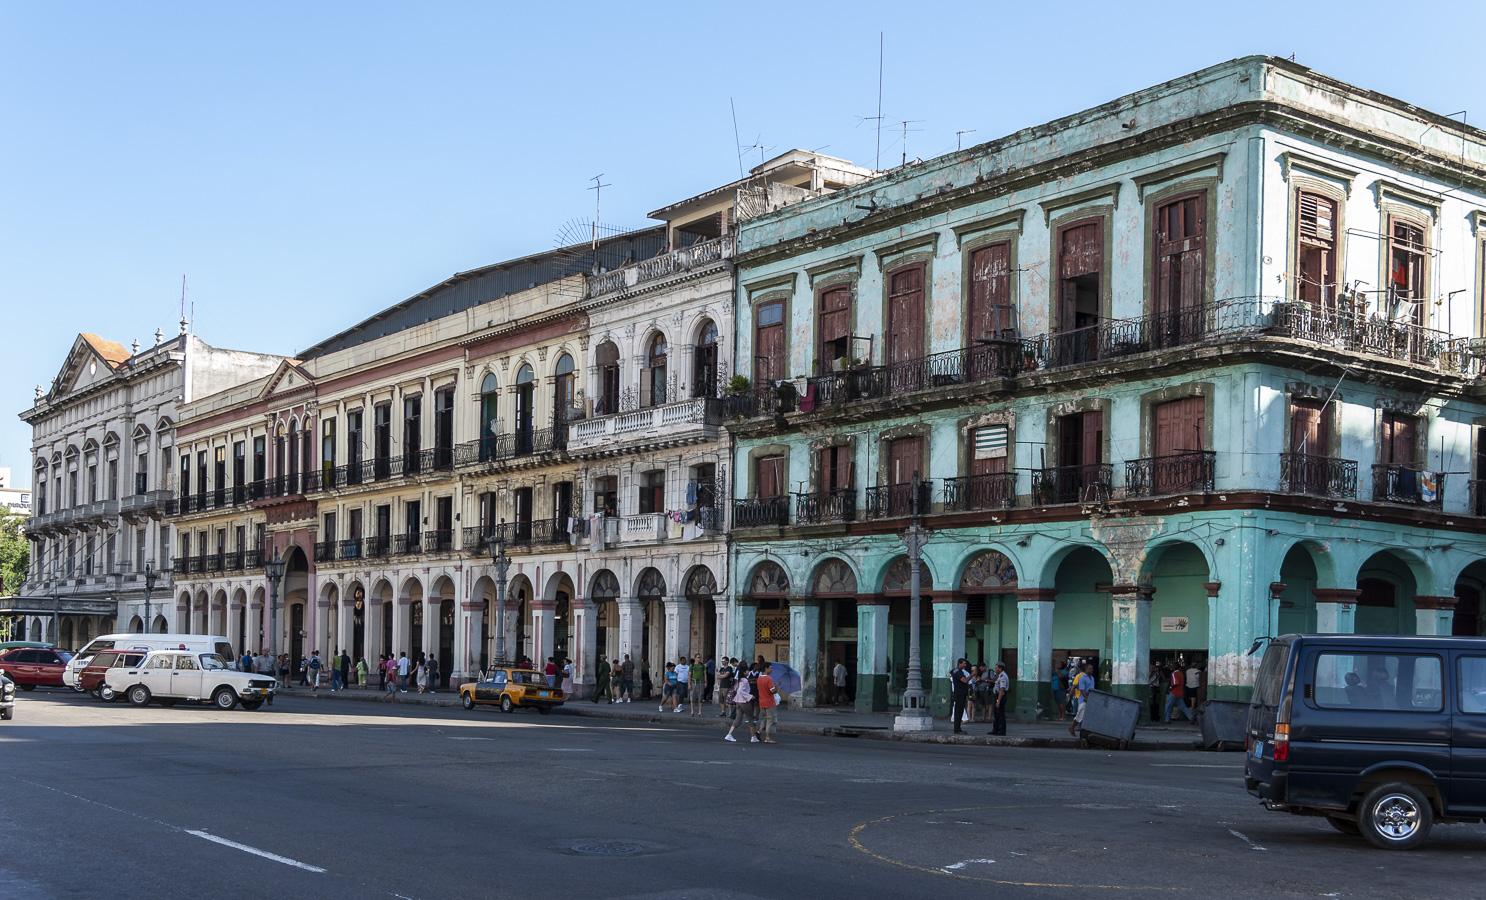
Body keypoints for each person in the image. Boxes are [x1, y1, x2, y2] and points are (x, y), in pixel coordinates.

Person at [723, 664, 757, 743]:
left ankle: (729, 734)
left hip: (738, 701)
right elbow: (740, 691)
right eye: (747, 671)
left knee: (738, 719)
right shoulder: (744, 680)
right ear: (745, 672)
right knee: (750, 719)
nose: (748, 672)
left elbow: (737, 689)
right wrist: (750, 696)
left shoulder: (739, 680)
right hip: (744, 701)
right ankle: (753, 736)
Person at [756, 662, 780, 744]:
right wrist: (777, 689)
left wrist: (775, 685)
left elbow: (766, 688)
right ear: (766, 669)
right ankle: (768, 737)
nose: (771, 670)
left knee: (765, 718)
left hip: (762, 702)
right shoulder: (769, 679)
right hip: (769, 702)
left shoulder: (759, 678)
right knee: (771, 720)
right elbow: (772, 690)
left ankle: (759, 731)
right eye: (770, 668)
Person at [1067, 663, 1094, 737]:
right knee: (1080, 714)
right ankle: (1072, 727)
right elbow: (1082, 689)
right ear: (1086, 669)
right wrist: (1086, 698)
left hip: (1090, 699)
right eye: (1090, 668)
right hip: (1083, 700)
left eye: (1092, 668)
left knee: (1087, 716)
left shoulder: (1092, 678)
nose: (1091, 670)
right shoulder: (1082, 678)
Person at [949, 658, 971, 734]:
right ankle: (957, 729)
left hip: (962, 694)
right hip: (959, 694)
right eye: (964, 663)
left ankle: (958, 728)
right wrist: (972, 675)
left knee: (960, 711)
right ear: (959, 663)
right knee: (958, 712)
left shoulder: (960, 671)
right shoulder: (957, 671)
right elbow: (964, 680)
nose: (965, 665)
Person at [991, 661, 1010, 736]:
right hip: (997, 696)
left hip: (1000, 696)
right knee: (996, 714)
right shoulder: (999, 676)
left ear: (1000, 668)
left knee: (1000, 714)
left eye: (996, 667)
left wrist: (998, 700)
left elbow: (1002, 689)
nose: (995, 669)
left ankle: (1001, 731)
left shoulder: (1003, 676)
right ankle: (995, 730)